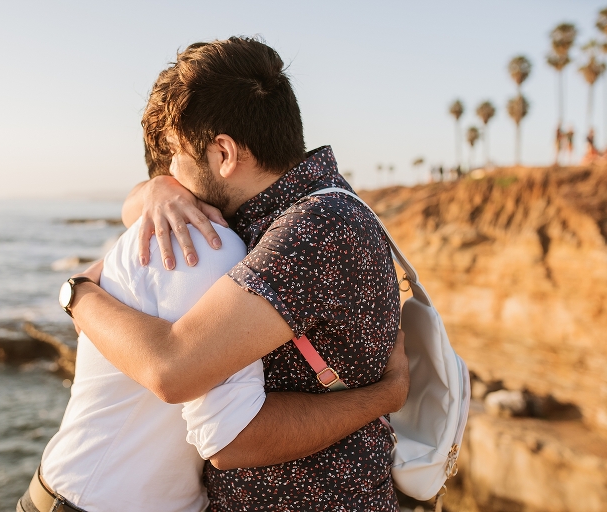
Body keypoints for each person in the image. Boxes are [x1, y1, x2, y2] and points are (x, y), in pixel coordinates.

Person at [67, 37, 405, 509]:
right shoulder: (280, 209)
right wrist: (157, 190)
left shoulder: (314, 230)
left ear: (224, 154)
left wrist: (77, 292)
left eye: (176, 158)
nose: (173, 176)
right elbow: (144, 203)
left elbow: (177, 376)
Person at [17, 160, 408, 510]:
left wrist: (76, 291)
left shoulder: (247, 233)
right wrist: (384, 397)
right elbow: (182, 386)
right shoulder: (202, 248)